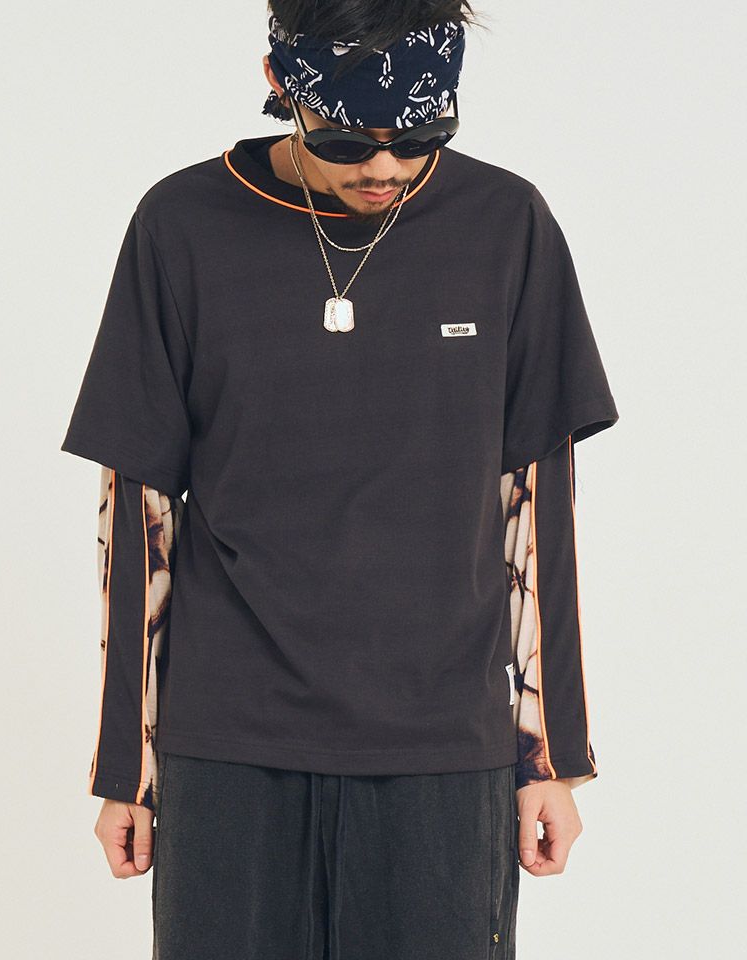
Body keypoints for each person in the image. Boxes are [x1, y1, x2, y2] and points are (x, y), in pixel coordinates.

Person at [60, 3, 620, 957]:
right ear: (281, 85)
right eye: (349, 140)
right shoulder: (181, 225)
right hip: (229, 740)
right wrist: (127, 767)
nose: (385, 168)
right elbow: (139, 507)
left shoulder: (505, 224)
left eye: (421, 137)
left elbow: (537, 507)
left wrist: (551, 755)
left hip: (443, 744)